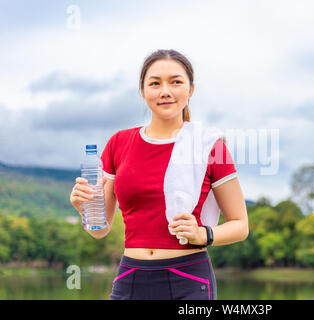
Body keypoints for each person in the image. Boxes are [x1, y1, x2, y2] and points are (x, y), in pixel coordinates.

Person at [69, 49, 248, 300]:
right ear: (143, 91)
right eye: (155, 83)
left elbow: (240, 225)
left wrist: (203, 234)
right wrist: (84, 208)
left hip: (189, 279)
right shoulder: (119, 143)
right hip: (130, 277)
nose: (165, 91)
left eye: (176, 82)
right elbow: (100, 230)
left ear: (191, 89)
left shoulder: (209, 147)